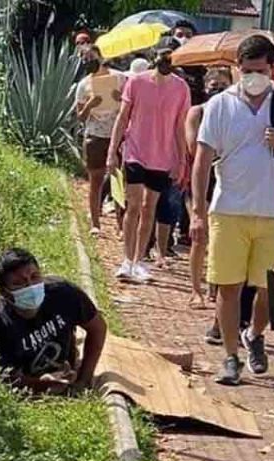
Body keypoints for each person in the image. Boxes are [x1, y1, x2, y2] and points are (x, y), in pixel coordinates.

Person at [190, 35, 274, 385]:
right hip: (229, 209)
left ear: (272, 68)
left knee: (270, 288)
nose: (252, 76)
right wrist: (197, 210)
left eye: (259, 70)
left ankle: (254, 334)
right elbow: (202, 160)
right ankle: (230, 357)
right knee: (228, 287)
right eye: (246, 70)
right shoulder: (221, 105)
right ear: (236, 69)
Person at [108, 38, 190, 283]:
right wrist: (112, 150)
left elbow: (180, 127)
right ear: (155, 58)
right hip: (135, 151)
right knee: (132, 206)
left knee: (148, 208)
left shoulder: (181, 88)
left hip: (163, 157)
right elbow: (123, 118)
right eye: (163, 58)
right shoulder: (136, 81)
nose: (165, 63)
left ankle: (138, 259)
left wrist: (181, 160)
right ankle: (127, 260)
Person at [0, 248, 108, 395]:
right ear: (4, 292)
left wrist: (83, 380)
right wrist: (40, 385)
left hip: (66, 368)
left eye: (34, 277)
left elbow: (98, 327)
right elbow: (4, 376)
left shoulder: (63, 293)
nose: (30, 287)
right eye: (18, 283)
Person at [185, 67, 232, 307]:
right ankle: (196, 289)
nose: (217, 90)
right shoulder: (197, 112)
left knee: (220, 240)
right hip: (202, 178)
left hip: (225, 180)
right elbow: (194, 147)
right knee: (199, 237)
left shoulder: (233, 112)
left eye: (223, 85)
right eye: (213, 85)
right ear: (205, 87)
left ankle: (215, 287)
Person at [75, 45, 126, 235]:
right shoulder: (84, 84)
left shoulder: (119, 78)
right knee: (95, 180)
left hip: (117, 135)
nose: (90, 61)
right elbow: (79, 116)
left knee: (118, 181)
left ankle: (122, 225)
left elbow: (130, 105)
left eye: (92, 57)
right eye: (86, 58)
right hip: (95, 135)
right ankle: (96, 223)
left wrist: (119, 99)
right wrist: (90, 104)